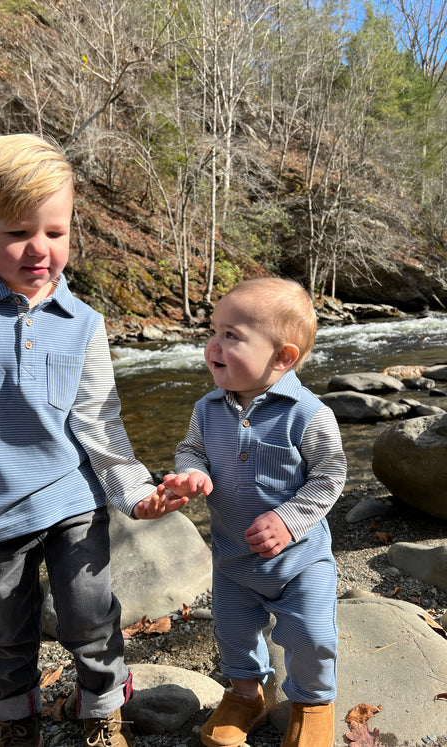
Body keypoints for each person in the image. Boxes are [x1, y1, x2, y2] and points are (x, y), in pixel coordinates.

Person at [0, 133, 188, 747]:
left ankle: (102, 710)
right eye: (18, 233)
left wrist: (135, 494)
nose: (39, 250)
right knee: (7, 627)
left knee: (88, 610)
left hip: (72, 497)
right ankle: (15, 720)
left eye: (55, 232)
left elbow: (100, 420)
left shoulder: (84, 322)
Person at [163, 277, 347, 747]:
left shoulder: (308, 414)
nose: (213, 346)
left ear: (282, 358)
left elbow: (330, 477)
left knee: (310, 636)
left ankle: (312, 703)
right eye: (214, 331)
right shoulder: (206, 410)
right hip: (232, 560)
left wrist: (287, 519)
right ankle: (247, 695)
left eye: (232, 336)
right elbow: (191, 450)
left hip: (299, 563)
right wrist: (190, 474)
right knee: (234, 634)